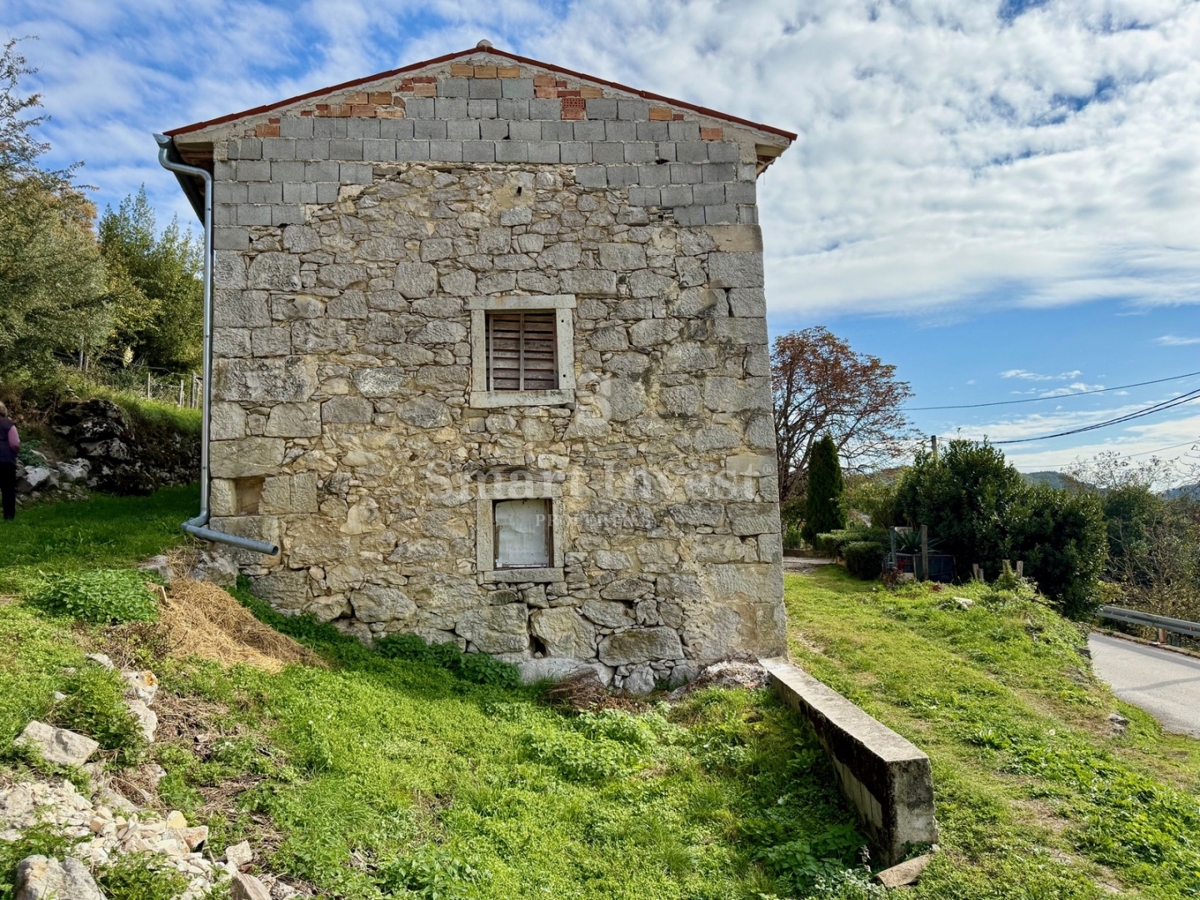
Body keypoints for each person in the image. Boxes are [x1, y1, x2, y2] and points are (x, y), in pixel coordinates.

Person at [0, 401, 19, 521]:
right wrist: (14, 453)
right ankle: (9, 516)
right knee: (8, 489)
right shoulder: (9, 424)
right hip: (6, 460)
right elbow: (15, 443)